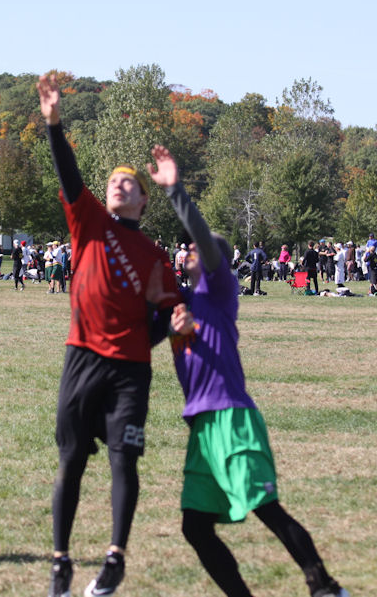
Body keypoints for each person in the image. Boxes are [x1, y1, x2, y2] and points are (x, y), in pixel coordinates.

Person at [148, 144, 349, 597]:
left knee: (265, 508)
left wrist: (175, 191)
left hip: (233, 417)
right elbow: (141, 341)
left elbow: (202, 237)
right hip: (202, 427)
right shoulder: (180, 302)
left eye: (195, 249)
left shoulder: (220, 290)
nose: (188, 251)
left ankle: (325, 586)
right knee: (195, 527)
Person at [38, 73, 181, 597]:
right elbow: (68, 171)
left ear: (144, 201)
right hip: (81, 359)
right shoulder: (89, 223)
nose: (118, 184)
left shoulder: (156, 256)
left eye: (129, 182)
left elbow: (168, 315)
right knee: (71, 461)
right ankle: (60, 563)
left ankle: (115, 556)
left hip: (130, 371)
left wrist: (163, 326)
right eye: (113, 181)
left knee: (124, 459)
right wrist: (54, 123)